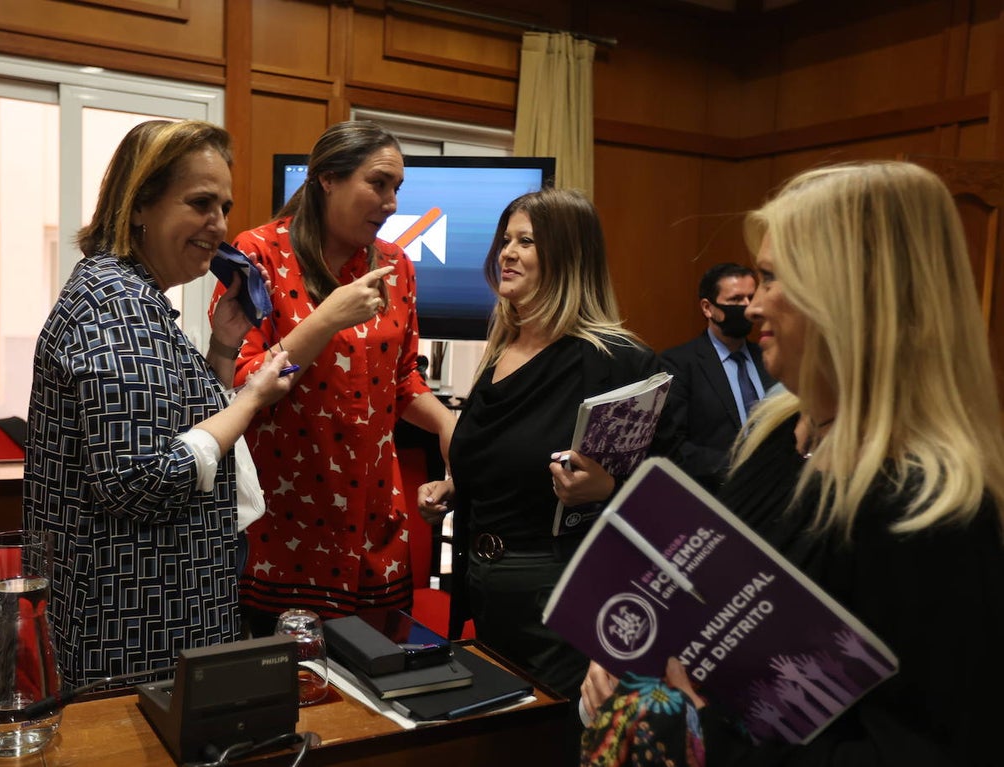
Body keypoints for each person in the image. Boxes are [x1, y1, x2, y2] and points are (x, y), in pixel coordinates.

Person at [579, 161, 1004, 767]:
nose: (753, 306)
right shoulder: (778, 436)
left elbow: (925, 748)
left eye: (774, 279)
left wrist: (700, 736)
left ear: (854, 298)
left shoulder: (931, 509)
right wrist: (633, 654)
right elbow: (715, 604)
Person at [24, 119, 295, 688]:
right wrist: (252, 398)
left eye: (224, 206)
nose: (219, 224)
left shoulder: (133, 297)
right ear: (140, 204)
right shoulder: (115, 305)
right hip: (133, 628)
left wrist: (223, 348)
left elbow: (181, 427)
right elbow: (140, 479)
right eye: (200, 203)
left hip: (149, 612)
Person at [417, 188, 683, 763]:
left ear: (567, 256)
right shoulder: (501, 348)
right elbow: (507, 454)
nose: (506, 253)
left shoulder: (618, 361)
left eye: (526, 242)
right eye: (505, 240)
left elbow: (669, 500)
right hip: (484, 594)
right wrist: (457, 485)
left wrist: (608, 489)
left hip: (563, 602)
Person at [214, 120, 457, 636]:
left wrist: (446, 423)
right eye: (378, 183)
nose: (391, 203)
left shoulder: (396, 264)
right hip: (286, 525)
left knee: (376, 673)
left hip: (374, 518)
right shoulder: (259, 253)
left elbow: (402, 380)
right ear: (327, 178)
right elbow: (243, 382)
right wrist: (326, 320)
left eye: (397, 188)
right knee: (287, 677)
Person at [661, 263, 776, 493]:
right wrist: (740, 467)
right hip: (717, 492)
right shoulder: (679, 364)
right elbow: (674, 447)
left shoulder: (770, 357)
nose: (746, 307)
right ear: (708, 308)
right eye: (736, 299)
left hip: (774, 488)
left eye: (751, 297)